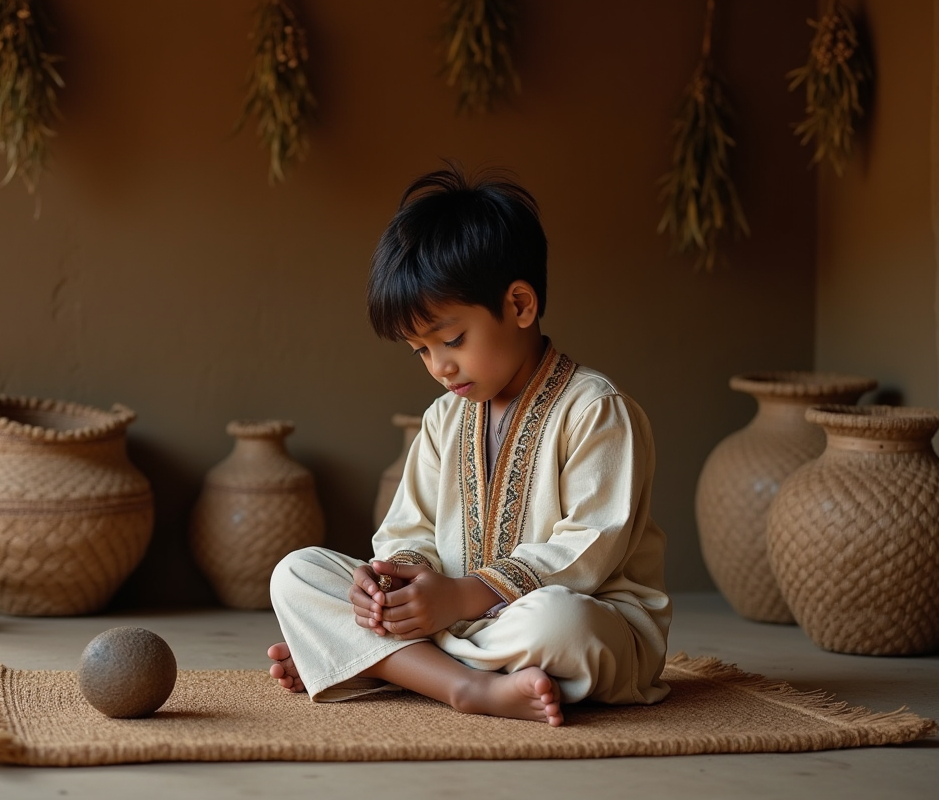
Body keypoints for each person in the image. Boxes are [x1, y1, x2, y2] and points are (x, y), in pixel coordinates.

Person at [266, 164, 671, 727]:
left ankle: (383, 663)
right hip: (454, 622)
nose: (439, 366)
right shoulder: (441, 421)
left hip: (575, 624)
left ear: (521, 305)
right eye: (421, 351)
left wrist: (462, 597)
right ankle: (463, 683)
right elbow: (411, 531)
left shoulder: (595, 409)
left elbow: (588, 549)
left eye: (452, 339)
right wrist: (388, 586)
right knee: (297, 572)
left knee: (560, 624)